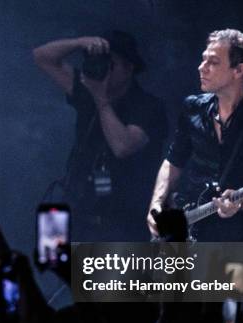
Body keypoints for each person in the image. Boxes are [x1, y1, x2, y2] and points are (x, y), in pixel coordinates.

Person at [147, 29, 243, 242]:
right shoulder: (193, 107)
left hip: (242, 238)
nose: (201, 67)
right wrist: (156, 205)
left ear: (238, 70)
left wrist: (241, 203)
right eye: (203, 60)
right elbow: (173, 160)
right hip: (190, 232)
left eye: (212, 62)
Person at [33, 30, 167, 241]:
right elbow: (41, 56)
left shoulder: (148, 107)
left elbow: (122, 147)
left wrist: (101, 100)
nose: (104, 70)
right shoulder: (88, 88)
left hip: (120, 220)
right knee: (53, 266)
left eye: (110, 64)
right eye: (99, 62)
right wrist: (78, 42)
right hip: (75, 204)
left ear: (129, 68)